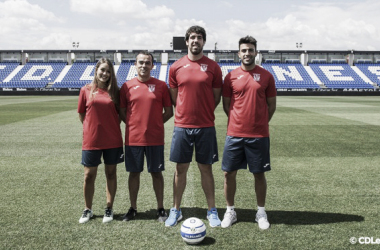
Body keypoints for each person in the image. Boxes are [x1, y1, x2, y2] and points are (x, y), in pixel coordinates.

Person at [165, 25, 223, 227]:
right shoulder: (175, 67)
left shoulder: (213, 67)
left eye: (199, 37)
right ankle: (175, 209)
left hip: (206, 125)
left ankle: (212, 210)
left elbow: (216, 97)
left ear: (204, 41)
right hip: (182, 126)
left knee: (205, 168)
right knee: (180, 169)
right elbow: (175, 97)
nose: (195, 41)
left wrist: (203, 111)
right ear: (187, 41)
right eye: (192, 38)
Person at [220, 36, 277, 230]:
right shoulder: (230, 76)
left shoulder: (267, 76)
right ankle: (230, 211)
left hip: (259, 135)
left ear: (256, 52)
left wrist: (258, 123)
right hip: (234, 134)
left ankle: (261, 212)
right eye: (244, 50)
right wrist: (239, 122)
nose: (247, 53)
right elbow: (226, 106)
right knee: (229, 173)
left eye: (250, 50)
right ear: (239, 53)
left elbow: (271, 106)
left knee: (259, 174)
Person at [119, 51, 173, 222]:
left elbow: (169, 112)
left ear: (152, 65)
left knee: (156, 173)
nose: (143, 66)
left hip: (155, 138)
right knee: (134, 173)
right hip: (133, 139)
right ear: (135, 64)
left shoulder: (161, 86)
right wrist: (133, 124)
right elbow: (122, 111)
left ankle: (160, 209)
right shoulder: (127, 86)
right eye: (140, 62)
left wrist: (155, 123)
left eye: (147, 63)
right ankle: (133, 208)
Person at [77, 58, 124, 224]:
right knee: (89, 175)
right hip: (91, 140)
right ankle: (87, 209)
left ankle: (109, 207)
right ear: (96, 70)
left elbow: (119, 115)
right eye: (102, 70)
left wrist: (108, 127)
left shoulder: (116, 92)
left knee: (111, 174)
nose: (105, 74)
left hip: (112, 140)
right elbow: (82, 114)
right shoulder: (86, 90)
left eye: (108, 71)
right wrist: (93, 129)